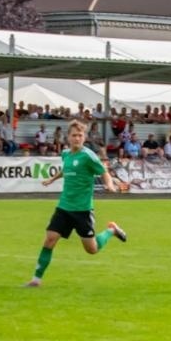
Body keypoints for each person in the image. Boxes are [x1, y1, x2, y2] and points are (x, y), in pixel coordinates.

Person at [24, 120, 126, 288]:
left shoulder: (88, 156)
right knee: (50, 239)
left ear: (84, 137)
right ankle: (36, 280)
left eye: (80, 135)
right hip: (64, 206)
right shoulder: (66, 154)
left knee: (91, 249)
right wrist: (52, 179)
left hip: (82, 210)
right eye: (74, 135)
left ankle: (111, 230)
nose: (77, 138)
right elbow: (66, 169)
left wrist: (109, 184)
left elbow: (104, 171)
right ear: (68, 138)